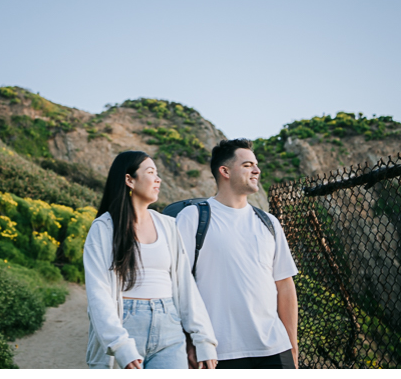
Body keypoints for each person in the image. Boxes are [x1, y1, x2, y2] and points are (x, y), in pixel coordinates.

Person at [83, 151, 218, 369]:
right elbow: (98, 293)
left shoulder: (167, 225)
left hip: (169, 328)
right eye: (150, 172)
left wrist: (203, 339)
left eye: (158, 173)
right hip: (125, 324)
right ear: (129, 180)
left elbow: (185, 286)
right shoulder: (104, 227)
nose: (158, 179)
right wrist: (119, 345)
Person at [176, 140, 299, 369]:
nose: (257, 170)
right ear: (225, 171)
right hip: (218, 351)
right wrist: (188, 340)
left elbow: (284, 285)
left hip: (275, 348)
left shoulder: (269, 222)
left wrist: (292, 345)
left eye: (256, 164)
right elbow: (178, 284)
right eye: (247, 165)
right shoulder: (193, 217)